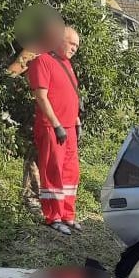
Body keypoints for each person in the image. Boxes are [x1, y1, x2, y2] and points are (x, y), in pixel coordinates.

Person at [27, 26, 82, 235]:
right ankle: (53, 217)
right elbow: (41, 97)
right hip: (53, 127)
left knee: (70, 172)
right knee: (53, 172)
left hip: (69, 127)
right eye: (72, 44)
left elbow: (70, 95)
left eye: (77, 45)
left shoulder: (66, 64)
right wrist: (57, 124)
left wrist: (76, 121)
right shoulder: (43, 61)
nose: (75, 48)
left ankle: (68, 215)